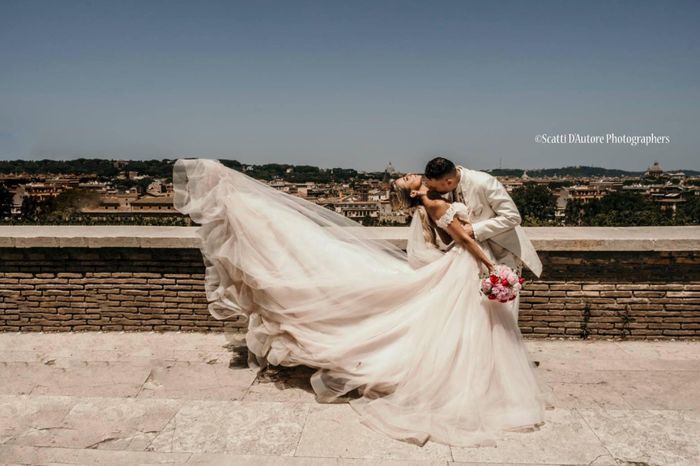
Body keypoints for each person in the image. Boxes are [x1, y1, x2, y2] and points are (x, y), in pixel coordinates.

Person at [172, 157, 551, 448]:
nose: (410, 175)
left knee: (473, 321)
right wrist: (479, 253)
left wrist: (476, 239)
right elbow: (461, 238)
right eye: (410, 180)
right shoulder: (435, 201)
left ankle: (480, 370)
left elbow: (506, 218)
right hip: (470, 260)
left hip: (492, 253)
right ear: (432, 186)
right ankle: (480, 373)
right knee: (474, 322)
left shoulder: (467, 187)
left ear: (448, 179)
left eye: (412, 175)